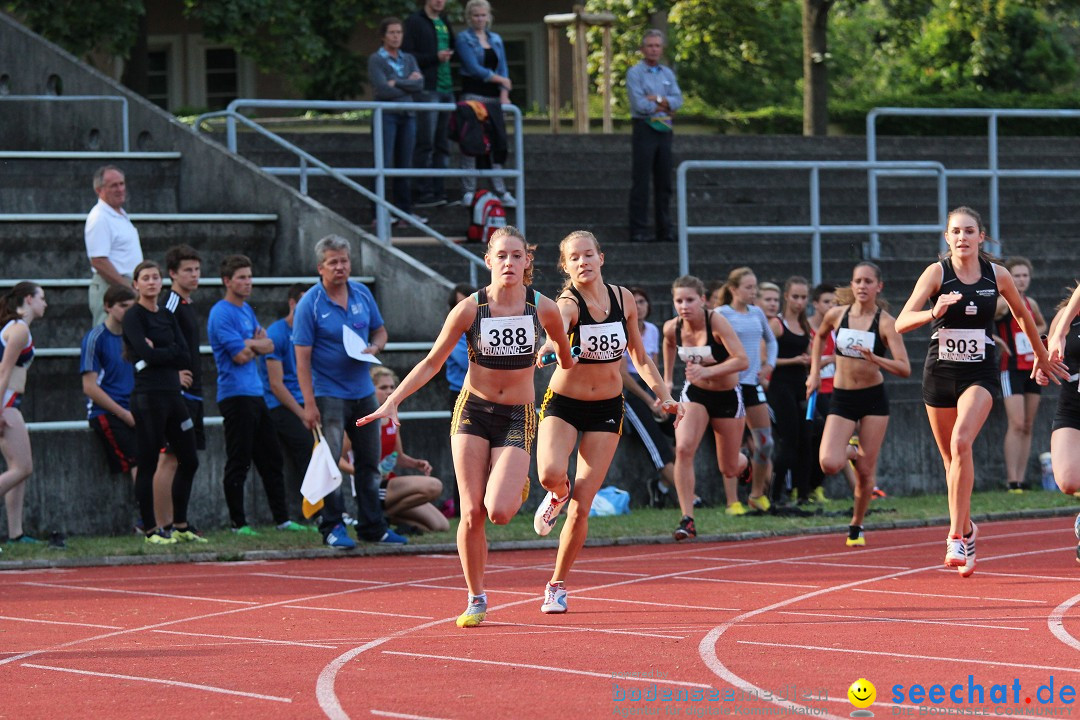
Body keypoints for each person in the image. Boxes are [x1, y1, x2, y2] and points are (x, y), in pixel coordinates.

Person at [357, 226, 574, 628]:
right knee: (471, 512)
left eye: (517, 255)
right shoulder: (470, 309)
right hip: (472, 411)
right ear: (488, 260)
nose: (509, 263)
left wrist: (557, 356)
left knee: (500, 512)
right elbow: (431, 363)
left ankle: (519, 482)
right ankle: (476, 596)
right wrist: (392, 400)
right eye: (501, 256)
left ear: (528, 261)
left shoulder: (543, 309)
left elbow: (563, 351)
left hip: (516, 414)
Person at [895, 206, 1067, 576]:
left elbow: (1023, 315)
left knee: (961, 443)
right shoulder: (936, 273)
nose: (962, 237)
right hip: (939, 373)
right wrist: (932, 311)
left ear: (981, 237)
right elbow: (901, 322)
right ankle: (970, 529)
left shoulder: (997, 274)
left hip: (981, 373)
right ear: (947, 237)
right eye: (955, 231)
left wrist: (1041, 356)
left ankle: (955, 535)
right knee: (950, 461)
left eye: (969, 231)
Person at [532, 231, 682, 612]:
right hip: (564, 403)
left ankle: (557, 585)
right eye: (574, 258)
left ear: (602, 257)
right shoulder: (568, 303)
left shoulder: (623, 298)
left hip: (607, 408)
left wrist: (663, 395)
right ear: (565, 266)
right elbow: (556, 331)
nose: (583, 262)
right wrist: (552, 347)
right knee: (551, 473)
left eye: (588, 255)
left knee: (583, 505)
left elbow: (640, 356)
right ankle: (556, 493)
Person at [293, 234, 407, 549]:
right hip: (329, 393)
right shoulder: (310, 304)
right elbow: (301, 359)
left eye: (344, 261)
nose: (340, 267)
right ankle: (333, 526)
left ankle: (373, 526)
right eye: (333, 262)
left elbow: (380, 330)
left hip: (363, 391)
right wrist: (309, 403)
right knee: (331, 462)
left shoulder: (361, 294)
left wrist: (376, 346)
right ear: (321, 268)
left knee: (369, 462)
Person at [807, 263, 910, 547]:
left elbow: (904, 368)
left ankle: (856, 524)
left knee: (865, 472)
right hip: (842, 396)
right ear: (852, 286)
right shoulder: (836, 315)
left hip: (873, 398)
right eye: (857, 281)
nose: (862, 286)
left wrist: (876, 358)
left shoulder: (886, 322)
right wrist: (815, 372)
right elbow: (818, 338)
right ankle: (851, 450)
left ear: (879, 286)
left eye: (868, 281)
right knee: (829, 462)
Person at [208, 255, 304, 535]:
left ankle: (282, 520)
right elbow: (240, 355)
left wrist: (253, 344)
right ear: (227, 281)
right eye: (241, 277)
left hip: (255, 393)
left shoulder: (246, 310)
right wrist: (254, 343)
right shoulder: (221, 313)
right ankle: (239, 523)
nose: (248, 282)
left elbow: (269, 344)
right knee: (239, 459)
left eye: (250, 277)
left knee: (271, 458)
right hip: (235, 395)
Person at [122, 260, 202, 546]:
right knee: (147, 462)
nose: (152, 282)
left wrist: (159, 353)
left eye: (155, 277)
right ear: (136, 284)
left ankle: (180, 525)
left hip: (173, 396)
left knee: (189, 459)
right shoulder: (134, 316)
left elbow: (184, 355)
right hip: (148, 398)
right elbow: (143, 352)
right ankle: (152, 530)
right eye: (145, 278)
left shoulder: (167, 315)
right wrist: (161, 354)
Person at [663, 275, 748, 538]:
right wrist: (666, 381)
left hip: (726, 396)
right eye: (679, 300)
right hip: (696, 394)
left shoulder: (716, 322)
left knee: (730, 468)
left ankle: (747, 463)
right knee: (684, 448)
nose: (684, 306)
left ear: (702, 300)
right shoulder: (672, 327)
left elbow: (742, 360)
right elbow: (668, 345)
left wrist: (708, 371)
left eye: (690, 300)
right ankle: (687, 518)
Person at [153, 244, 205, 533]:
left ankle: (178, 522)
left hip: (194, 390)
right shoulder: (170, 304)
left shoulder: (186, 304)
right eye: (188, 270)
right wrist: (173, 375)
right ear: (172, 273)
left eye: (197, 269)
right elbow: (159, 342)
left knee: (185, 459)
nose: (194, 275)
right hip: (179, 394)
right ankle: (163, 524)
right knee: (170, 457)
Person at [717, 267, 776, 512]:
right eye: (748, 287)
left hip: (752, 385)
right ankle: (733, 501)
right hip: (730, 386)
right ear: (733, 289)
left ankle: (757, 493)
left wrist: (768, 366)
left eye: (755, 287)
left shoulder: (757, 312)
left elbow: (771, 340)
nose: (753, 292)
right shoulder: (721, 313)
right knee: (733, 446)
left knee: (765, 442)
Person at [363, 366, 449, 534]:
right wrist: (366, 471)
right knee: (434, 486)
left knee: (441, 526)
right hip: (371, 485)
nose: (389, 391)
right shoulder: (362, 419)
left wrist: (416, 463)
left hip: (389, 485)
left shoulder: (392, 416)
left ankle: (386, 517)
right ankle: (377, 515)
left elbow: (398, 456)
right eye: (383, 388)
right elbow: (340, 459)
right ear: (370, 390)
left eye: (392, 387)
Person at [258, 283, 317, 520]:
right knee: (307, 448)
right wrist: (302, 413)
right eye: (304, 302)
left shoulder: (313, 331)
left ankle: (330, 511)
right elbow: (276, 384)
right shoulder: (277, 332)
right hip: (280, 406)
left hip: (308, 401)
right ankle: (318, 513)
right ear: (292, 304)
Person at [993, 256, 1047, 493]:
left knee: (1027, 424)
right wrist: (996, 340)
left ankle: (1022, 479)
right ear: (1008, 278)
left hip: (1032, 369)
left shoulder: (1031, 303)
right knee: (1016, 423)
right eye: (1017, 276)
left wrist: (1032, 335)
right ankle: (1011, 479)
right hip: (1011, 368)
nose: (1022, 280)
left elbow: (1043, 325)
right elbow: (979, 321)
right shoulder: (1002, 303)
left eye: (1025, 275)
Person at [455, 0, 516, 208]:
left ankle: (500, 190)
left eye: (483, 15)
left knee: (497, 143)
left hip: (493, 98)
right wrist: (500, 80)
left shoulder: (495, 39)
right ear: (469, 17)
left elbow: (503, 68)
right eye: (476, 16)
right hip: (473, 94)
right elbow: (473, 67)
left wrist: (504, 92)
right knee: (471, 142)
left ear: (488, 17)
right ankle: (468, 190)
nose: (480, 19)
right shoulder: (464, 38)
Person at [621, 286, 678, 507]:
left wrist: (660, 398)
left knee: (675, 427)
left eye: (642, 302)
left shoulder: (653, 330)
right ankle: (688, 497)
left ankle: (662, 486)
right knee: (657, 443)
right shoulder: (620, 330)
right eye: (633, 302)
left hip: (648, 387)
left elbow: (651, 366)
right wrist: (649, 401)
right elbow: (623, 375)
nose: (639, 307)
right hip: (629, 390)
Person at [0, 282, 46, 544]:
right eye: (42, 298)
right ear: (29, 299)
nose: (45, 304)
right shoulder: (18, 330)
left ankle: (15, 533)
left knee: (16, 468)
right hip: (6, 403)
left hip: (10, 402)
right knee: (23, 468)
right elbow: (4, 371)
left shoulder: (17, 329)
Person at [627, 29, 683, 244]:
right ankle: (638, 229)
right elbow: (639, 105)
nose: (654, 49)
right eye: (650, 45)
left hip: (665, 129)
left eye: (657, 46)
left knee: (665, 182)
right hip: (644, 128)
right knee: (641, 181)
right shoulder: (635, 73)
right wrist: (664, 103)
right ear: (643, 49)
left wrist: (656, 98)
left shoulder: (668, 74)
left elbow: (678, 101)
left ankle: (665, 229)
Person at [369, 17, 426, 225]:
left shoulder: (408, 58)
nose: (396, 36)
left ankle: (404, 213)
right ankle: (378, 214)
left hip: (408, 115)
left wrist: (397, 83)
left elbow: (419, 85)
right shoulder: (376, 59)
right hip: (386, 115)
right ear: (383, 35)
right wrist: (406, 85)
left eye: (399, 32)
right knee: (382, 163)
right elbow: (382, 88)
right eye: (392, 32)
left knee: (405, 165)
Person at [805, 283, 858, 503]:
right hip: (816, 392)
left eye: (834, 303)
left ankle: (860, 488)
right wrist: (823, 362)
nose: (831, 307)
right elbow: (807, 358)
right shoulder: (808, 329)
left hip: (837, 389)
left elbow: (850, 355)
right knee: (823, 443)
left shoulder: (839, 329)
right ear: (816, 304)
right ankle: (811, 487)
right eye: (826, 302)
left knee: (840, 443)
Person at [80, 284, 138, 487]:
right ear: (107, 306)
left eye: (132, 307)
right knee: (138, 460)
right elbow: (89, 387)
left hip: (134, 409)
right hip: (106, 412)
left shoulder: (135, 337)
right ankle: (147, 517)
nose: (128, 311)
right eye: (123, 306)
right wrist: (124, 414)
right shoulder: (96, 338)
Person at [404, 0, 456, 208]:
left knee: (443, 143)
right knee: (426, 142)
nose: (439, 1)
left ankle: (439, 190)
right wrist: (434, 58)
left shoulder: (444, 21)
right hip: (427, 88)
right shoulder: (415, 22)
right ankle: (423, 192)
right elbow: (409, 56)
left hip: (447, 88)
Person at [1041, 285, 1080, 561]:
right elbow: (1047, 358)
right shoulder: (1064, 318)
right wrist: (1044, 368)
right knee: (1067, 481)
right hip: (1072, 407)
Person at [768, 276, 813, 505]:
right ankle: (775, 493)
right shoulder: (777, 324)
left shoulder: (805, 325)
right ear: (786, 296)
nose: (799, 302)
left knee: (806, 439)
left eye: (804, 297)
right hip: (780, 386)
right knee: (788, 439)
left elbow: (810, 353)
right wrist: (794, 360)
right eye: (795, 296)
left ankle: (803, 493)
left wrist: (809, 360)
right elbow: (766, 360)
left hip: (800, 385)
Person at [85, 165, 143, 325]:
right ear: (99, 190)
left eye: (122, 184)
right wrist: (127, 288)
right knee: (109, 339)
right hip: (112, 288)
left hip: (126, 286)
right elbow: (98, 260)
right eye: (113, 185)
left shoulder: (119, 214)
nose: (120, 189)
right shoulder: (99, 217)